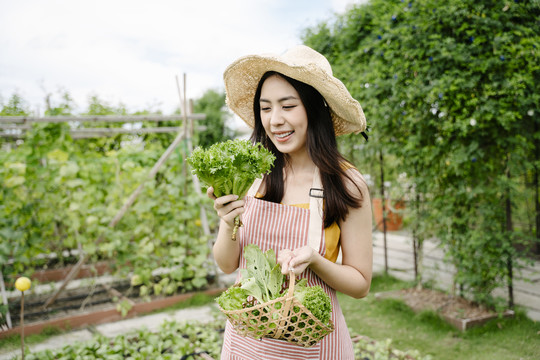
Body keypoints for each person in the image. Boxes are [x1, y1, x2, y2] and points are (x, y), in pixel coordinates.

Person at [207, 45, 373, 359]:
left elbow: (361, 284)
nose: (275, 120)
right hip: (247, 345)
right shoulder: (252, 174)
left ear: (313, 108)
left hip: (313, 348)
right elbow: (228, 264)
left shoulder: (345, 183)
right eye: (266, 108)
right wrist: (228, 220)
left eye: (288, 105)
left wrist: (315, 260)